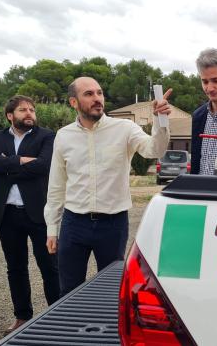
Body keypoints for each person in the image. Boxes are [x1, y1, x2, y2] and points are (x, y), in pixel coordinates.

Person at [44, 77, 171, 296]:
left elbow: (155, 150)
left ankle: (111, 331)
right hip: (74, 223)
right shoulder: (64, 136)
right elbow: (56, 185)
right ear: (73, 102)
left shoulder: (125, 128)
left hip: (113, 224)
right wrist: (52, 229)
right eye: (89, 94)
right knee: (69, 289)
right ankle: (73, 330)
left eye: (99, 93)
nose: (97, 99)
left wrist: (160, 120)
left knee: (112, 290)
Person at [0, 95, 59, 334]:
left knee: (50, 267)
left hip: (39, 213)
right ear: (10, 115)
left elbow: (45, 166)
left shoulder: (47, 136)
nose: (29, 113)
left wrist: (8, 165)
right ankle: (22, 317)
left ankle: (56, 315)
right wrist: (23, 161)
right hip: (7, 214)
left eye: (32, 110)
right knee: (15, 267)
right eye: (23, 110)